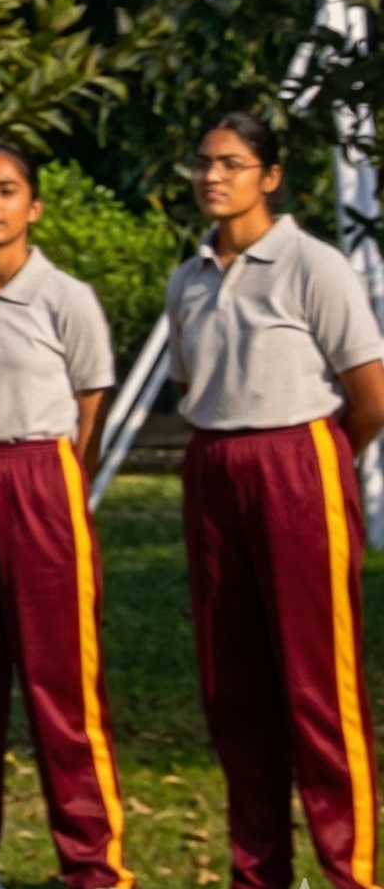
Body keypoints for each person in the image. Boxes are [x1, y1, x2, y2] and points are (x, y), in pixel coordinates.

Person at [170, 112, 384, 889]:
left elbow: (370, 394)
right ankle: (258, 871)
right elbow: (194, 383)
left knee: (318, 682)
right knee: (234, 685)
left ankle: (349, 869)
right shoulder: (188, 277)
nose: (212, 176)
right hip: (214, 466)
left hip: (300, 461)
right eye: (203, 163)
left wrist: (312, 464)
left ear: (270, 176)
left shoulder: (312, 264)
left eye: (231, 162)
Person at [0, 146, 132, 889]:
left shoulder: (65, 298)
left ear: (33, 206)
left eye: (7, 191)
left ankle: (92, 865)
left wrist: (58, 478)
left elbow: (89, 403)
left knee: (60, 682)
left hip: (43, 477)